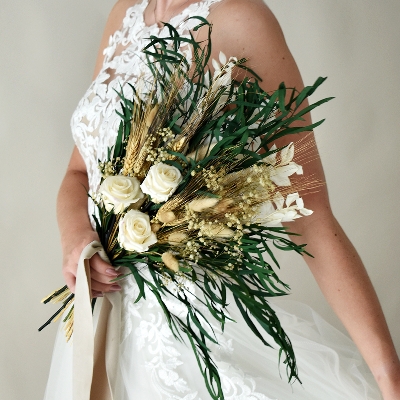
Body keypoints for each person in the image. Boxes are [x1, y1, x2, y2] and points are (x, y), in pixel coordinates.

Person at [45, 0, 400, 399]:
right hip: (97, 310)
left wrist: (390, 378)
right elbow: (79, 172)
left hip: (183, 332)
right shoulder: (124, 13)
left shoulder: (241, 18)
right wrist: (76, 238)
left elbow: (309, 210)